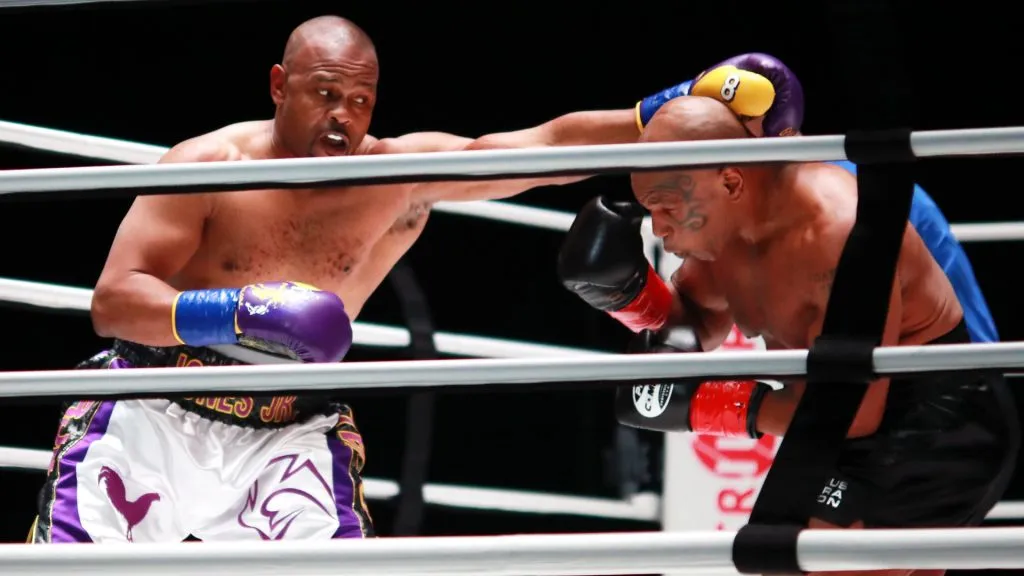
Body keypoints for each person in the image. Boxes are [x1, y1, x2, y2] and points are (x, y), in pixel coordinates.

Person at [28, 14, 670, 544]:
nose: (343, 116)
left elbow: (544, 148)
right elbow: (114, 301)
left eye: (360, 101)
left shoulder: (393, 178)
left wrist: (660, 116)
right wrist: (238, 311)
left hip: (289, 427)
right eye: (326, 94)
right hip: (154, 407)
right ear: (279, 86)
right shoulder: (207, 167)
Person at [558, 96, 1019, 576]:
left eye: (666, 207)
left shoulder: (838, 233)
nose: (657, 228)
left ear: (730, 182)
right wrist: (632, 298)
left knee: (799, 560)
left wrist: (710, 406)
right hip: (846, 425)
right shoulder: (723, 229)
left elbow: (851, 413)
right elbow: (694, 324)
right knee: (782, 556)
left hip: (937, 429)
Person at [635, 52, 999, 344]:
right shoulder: (731, 217)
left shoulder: (852, 209)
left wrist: (729, 405)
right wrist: (627, 295)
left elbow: (861, 381)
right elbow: (694, 319)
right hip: (844, 387)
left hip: (939, 380)